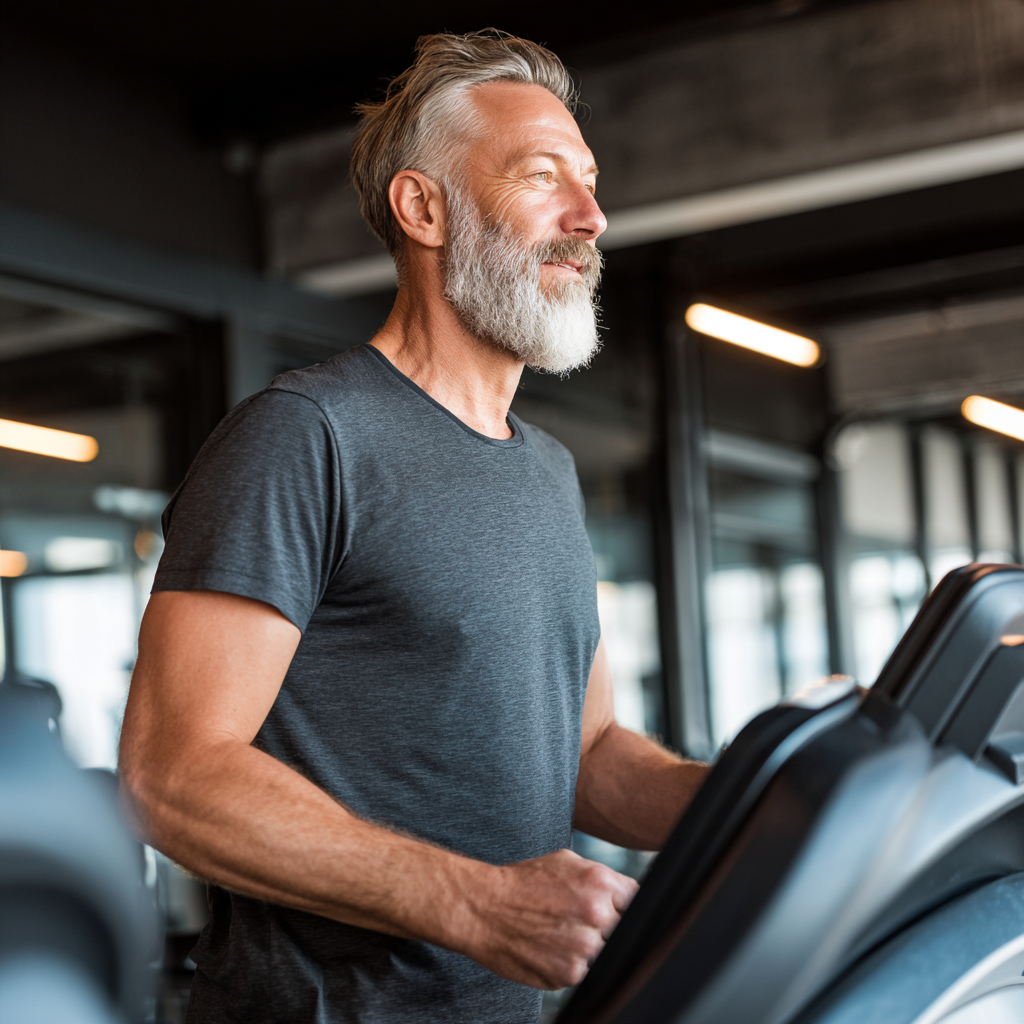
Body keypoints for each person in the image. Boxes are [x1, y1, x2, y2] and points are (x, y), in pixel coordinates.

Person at [119, 28, 709, 1024]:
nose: (590, 216)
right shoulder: (306, 437)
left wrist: (766, 797)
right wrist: (469, 900)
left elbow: (589, 752)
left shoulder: (548, 472)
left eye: (590, 180)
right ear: (423, 207)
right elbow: (174, 775)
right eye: (540, 176)